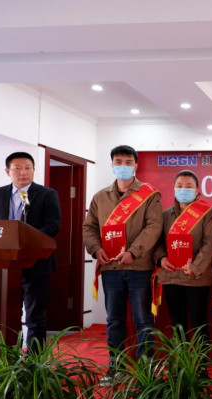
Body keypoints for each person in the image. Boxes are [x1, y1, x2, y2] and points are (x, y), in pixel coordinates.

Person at [83, 145, 162, 378]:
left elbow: (154, 226)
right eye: (118, 162)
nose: (123, 166)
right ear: (112, 164)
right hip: (111, 267)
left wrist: (133, 252)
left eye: (128, 162)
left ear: (136, 165)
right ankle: (115, 368)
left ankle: (146, 369)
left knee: (143, 319)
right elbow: (89, 228)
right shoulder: (100, 197)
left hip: (139, 266)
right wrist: (96, 249)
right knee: (114, 320)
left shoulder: (150, 195)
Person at [0, 151, 61, 353]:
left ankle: (35, 363)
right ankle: (8, 360)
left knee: (35, 316)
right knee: (7, 316)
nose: (23, 172)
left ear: (34, 170)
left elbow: (53, 226)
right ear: (8, 171)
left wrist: (25, 239)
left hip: (36, 264)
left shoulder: (47, 194)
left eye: (28, 168)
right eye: (17, 168)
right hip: (4, 266)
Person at [152, 170, 212, 344]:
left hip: (196, 277)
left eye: (189, 186)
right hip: (171, 276)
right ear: (174, 188)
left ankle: (201, 361)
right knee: (177, 321)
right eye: (179, 186)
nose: (184, 189)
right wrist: (161, 258)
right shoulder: (165, 215)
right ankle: (180, 360)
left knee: (199, 322)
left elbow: (210, 243)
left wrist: (195, 267)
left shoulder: (208, 213)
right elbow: (157, 242)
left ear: (197, 190)